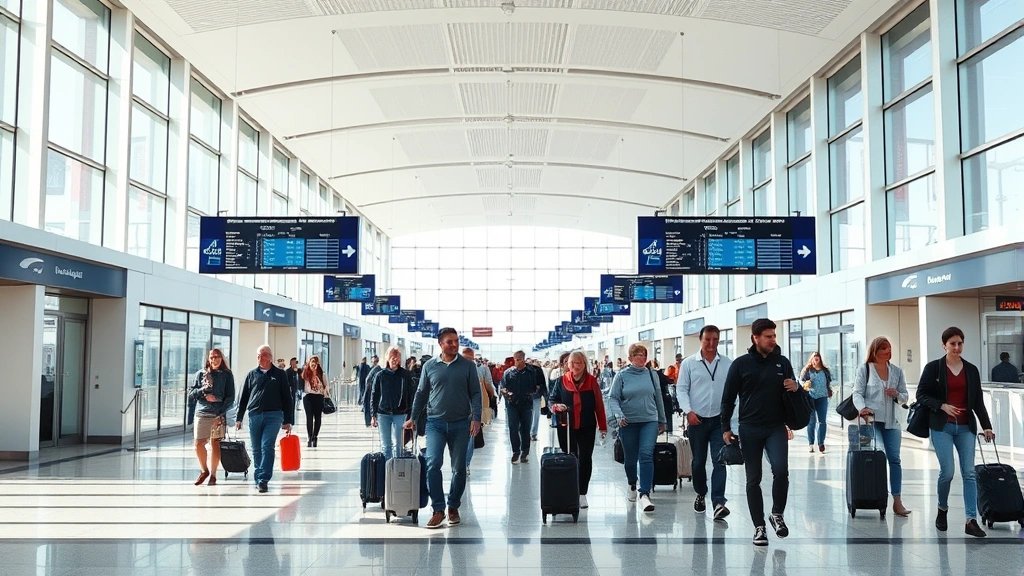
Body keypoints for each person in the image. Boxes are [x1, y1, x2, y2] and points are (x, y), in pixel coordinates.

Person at [721, 318, 799, 547]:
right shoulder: (740, 364)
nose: (773, 340)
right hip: (749, 428)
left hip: (775, 426)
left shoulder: (782, 362)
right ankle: (759, 527)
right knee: (753, 478)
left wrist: (794, 388)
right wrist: (725, 427)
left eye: (774, 336)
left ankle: (776, 514)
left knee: (781, 470)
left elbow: (790, 394)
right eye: (768, 336)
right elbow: (727, 399)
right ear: (755, 338)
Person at [915, 326, 994, 538]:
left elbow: (977, 400)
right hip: (942, 426)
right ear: (944, 345)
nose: (957, 347)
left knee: (969, 472)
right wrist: (941, 405)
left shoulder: (971, 370)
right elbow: (921, 395)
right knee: (947, 472)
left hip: (966, 427)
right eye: (952, 344)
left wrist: (987, 425)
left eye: (960, 343)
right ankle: (942, 509)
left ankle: (971, 520)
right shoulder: (934, 368)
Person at [405, 328, 482, 529]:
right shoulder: (429, 366)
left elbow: (475, 393)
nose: (455, 345)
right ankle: (438, 509)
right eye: (450, 342)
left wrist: (477, 418)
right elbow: (421, 393)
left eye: (456, 341)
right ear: (441, 344)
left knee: (459, 469)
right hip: (435, 423)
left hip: (461, 424)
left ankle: (453, 506)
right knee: (433, 464)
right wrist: (413, 417)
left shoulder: (468, 366)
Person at [852, 336, 911, 518]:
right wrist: (862, 408)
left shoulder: (897, 371)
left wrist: (896, 395)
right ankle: (875, 496)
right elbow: (857, 393)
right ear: (875, 351)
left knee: (894, 459)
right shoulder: (865, 369)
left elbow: (905, 396)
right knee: (875, 457)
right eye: (884, 348)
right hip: (871, 421)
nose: (888, 351)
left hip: (892, 422)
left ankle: (897, 500)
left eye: (889, 348)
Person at [678, 325, 732, 520]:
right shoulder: (689, 363)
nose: (711, 344)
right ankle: (701, 492)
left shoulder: (727, 363)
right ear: (700, 340)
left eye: (715, 340)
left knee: (720, 460)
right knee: (699, 461)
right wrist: (688, 411)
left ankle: (718, 502)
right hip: (697, 419)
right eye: (707, 339)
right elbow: (682, 389)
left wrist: (731, 422)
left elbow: (732, 393)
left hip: (719, 420)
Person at [606, 343, 666, 514]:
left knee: (646, 454)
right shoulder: (622, 375)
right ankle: (632, 482)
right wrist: (618, 415)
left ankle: (644, 493)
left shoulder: (652, 375)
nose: (641, 357)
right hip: (628, 422)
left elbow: (658, 397)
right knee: (631, 459)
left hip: (649, 420)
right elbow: (612, 398)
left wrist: (662, 420)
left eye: (644, 354)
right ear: (630, 358)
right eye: (637, 354)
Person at [549, 350, 608, 509]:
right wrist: (555, 406)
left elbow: (599, 405)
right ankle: (569, 489)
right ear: (567, 365)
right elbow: (552, 400)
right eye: (572, 363)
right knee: (569, 456)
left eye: (579, 363)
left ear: (584, 364)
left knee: (585, 459)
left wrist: (602, 426)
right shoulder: (561, 381)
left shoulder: (591, 381)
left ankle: (582, 493)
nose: (575, 366)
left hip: (586, 426)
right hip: (566, 426)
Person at [235, 344, 294, 493]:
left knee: (267, 445)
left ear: (270, 356)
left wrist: (288, 420)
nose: (260, 358)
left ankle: (263, 479)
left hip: (274, 415)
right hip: (255, 415)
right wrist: (239, 417)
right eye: (258, 355)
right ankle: (258, 476)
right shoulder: (251, 374)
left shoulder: (279, 374)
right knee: (256, 449)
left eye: (263, 355)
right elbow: (244, 397)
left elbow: (287, 398)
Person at [189, 348, 235, 486]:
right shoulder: (200, 374)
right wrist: (203, 392)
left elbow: (230, 397)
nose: (214, 359)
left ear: (221, 358)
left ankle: (213, 475)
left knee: (215, 444)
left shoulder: (227, 375)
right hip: (202, 413)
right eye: (212, 357)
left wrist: (220, 412)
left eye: (217, 357)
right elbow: (191, 394)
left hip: (218, 414)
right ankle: (204, 470)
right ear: (208, 359)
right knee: (198, 444)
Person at [370, 346, 416, 460]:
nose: (394, 360)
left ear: (400, 359)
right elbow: (374, 395)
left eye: (397, 357)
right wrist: (373, 415)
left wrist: (411, 415)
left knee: (398, 446)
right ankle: (387, 472)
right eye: (392, 357)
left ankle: (397, 472)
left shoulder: (405, 375)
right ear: (387, 358)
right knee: (386, 446)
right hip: (383, 414)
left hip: (400, 414)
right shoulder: (380, 375)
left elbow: (411, 395)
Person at [500, 351, 539, 464]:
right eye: (515, 359)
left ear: (523, 359)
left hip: (526, 404)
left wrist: (532, 394)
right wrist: (506, 393)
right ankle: (515, 451)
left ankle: (525, 451)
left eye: (519, 359)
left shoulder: (531, 372)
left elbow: (535, 387)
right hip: (512, 404)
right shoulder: (508, 372)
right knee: (513, 428)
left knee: (525, 429)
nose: (516, 362)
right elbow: (503, 386)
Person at [463, 348, 495, 475]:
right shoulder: (452, 371)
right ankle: (460, 463)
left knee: (469, 441)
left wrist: (476, 415)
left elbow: (478, 395)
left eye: (471, 359)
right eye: (466, 359)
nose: (469, 362)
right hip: (454, 413)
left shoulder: (475, 374)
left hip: (470, 413)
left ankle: (465, 464)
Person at [798, 352, 833, 454]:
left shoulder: (825, 371)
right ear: (811, 360)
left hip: (822, 398)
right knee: (811, 421)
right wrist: (806, 384)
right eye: (814, 359)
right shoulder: (807, 371)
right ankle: (811, 444)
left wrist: (829, 391)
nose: (815, 361)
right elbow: (801, 382)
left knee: (822, 421)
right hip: (810, 398)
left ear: (820, 360)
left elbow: (828, 382)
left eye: (817, 359)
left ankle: (821, 443)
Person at [301, 355, 328, 448]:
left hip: (318, 397)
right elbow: (301, 381)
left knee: (318, 418)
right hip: (308, 397)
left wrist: (325, 391)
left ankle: (315, 436)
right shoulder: (305, 373)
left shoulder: (322, 374)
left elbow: (326, 385)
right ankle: (309, 436)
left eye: (315, 362)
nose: (313, 364)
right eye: (312, 362)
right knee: (309, 417)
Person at [527, 359, 548, 442]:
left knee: (529, 415)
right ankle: (533, 434)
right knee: (535, 415)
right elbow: (543, 383)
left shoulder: (524, 371)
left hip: (530, 396)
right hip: (536, 396)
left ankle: (529, 433)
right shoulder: (538, 370)